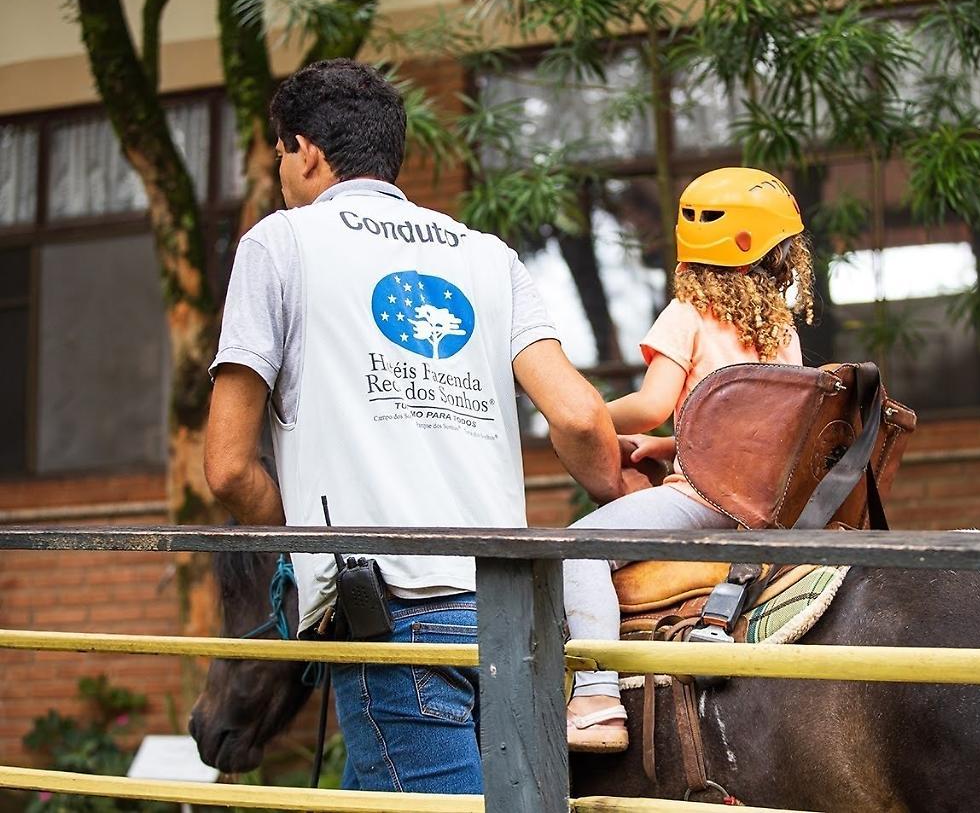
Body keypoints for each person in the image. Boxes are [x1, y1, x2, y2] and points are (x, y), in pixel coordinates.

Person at [203, 58, 628, 793]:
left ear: (304, 150)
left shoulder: (279, 243)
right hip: (509, 614)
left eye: (279, 153)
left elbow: (228, 467)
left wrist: (304, 537)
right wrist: (620, 492)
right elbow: (582, 417)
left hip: (387, 617)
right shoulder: (486, 256)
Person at [562, 167, 815, 753]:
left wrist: (581, 412)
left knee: (576, 549)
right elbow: (764, 430)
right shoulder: (780, 329)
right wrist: (673, 445)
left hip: (704, 500)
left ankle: (597, 697)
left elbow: (651, 404)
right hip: (765, 507)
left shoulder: (687, 314)